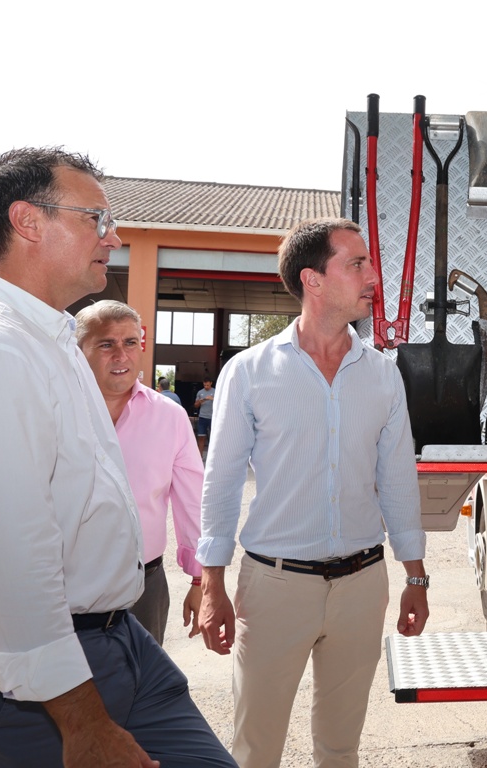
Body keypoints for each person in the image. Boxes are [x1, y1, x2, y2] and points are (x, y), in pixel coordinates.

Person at [0, 147, 235, 767]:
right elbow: (11, 565)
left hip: (120, 643)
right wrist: (82, 722)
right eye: (96, 219)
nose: (112, 237)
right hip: (42, 684)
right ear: (29, 222)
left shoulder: (54, 340)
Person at [197, 217, 429, 768]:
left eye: (369, 262)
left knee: (340, 747)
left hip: (361, 586)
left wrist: (415, 575)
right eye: (357, 264)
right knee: (256, 749)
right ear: (313, 280)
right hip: (274, 586)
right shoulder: (249, 372)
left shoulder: (382, 374)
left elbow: (397, 477)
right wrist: (212, 583)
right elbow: (222, 480)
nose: (373, 276)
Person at [76, 301, 205, 646]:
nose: (121, 354)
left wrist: (199, 580)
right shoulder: (53, 412)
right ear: (78, 350)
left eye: (130, 342)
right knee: (56, 695)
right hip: (62, 585)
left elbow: (192, 502)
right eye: (106, 344)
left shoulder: (170, 417)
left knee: (138, 694)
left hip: (144, 585)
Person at [194, 377, 215, 454]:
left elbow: (222, 403)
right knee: (201, 437)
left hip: (212, 418)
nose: (206, 387)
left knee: (213, 437)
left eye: (208, 385)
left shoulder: (215, 391)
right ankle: (200, 456)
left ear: (211, 383)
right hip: (202, 417)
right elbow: (195, 405)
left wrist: (212, 399)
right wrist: (200, 402)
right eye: (205, 385)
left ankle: (213, 456)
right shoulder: (200, 392)